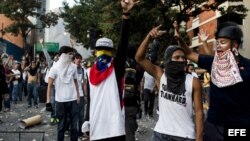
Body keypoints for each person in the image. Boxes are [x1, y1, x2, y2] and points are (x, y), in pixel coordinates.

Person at [174, 21, 250, 141]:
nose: (218, 46)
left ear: (235, 45)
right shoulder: (213, 62)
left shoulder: (248, 66)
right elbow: (188, 53)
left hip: (239, 126)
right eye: (217, 42)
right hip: (214, 124)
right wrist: (179, 38)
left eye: (223, 42)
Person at [82, 1, 139, 140]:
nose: (103, 53)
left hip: (115, 129)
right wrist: (87, 120)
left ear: (112, 52)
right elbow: (90, 99)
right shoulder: (89, 72)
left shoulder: (116, 68)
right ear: (95, 52)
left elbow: (123, 44)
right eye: (100, 50)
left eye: (106, 50)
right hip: (96, 127)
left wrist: (126, 15)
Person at [135, 25, 204, 141]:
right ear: (168, 60)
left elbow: (199, 112)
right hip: (161, 133)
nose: (181, 60)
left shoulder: (193, 81)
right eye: (177, 57)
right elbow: (139, 58)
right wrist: (149, 37)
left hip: (185, 136)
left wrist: (199, 138)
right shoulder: (160, 75)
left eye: (183, 58)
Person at [46, 46, 80, 141]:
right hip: (60, 100)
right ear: (63, 55)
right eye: (69, 54)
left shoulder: (73, 67)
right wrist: (48, 102)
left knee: (74, 125)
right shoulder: (54, 68)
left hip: (73, 99)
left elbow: (76, 82)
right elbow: (49, 85)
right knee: (61, 125)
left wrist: (78, 95)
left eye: (72, 54)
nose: (71, 56)